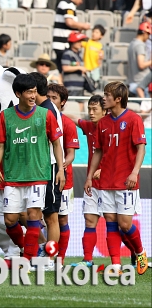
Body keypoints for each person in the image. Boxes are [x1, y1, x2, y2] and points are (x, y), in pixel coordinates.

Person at [0, 74, 65, 265]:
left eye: (34, 92)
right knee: (10, 220)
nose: (33, 96)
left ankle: (29, 260)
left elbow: (56, 143)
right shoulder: (6, 116)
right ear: (18, 93)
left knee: (33, 216)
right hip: (13, 177)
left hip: (38, 175)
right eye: (29, 92)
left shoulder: (45, 114)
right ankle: (26, 250)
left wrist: (60, 169)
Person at [84, 81, 148, 275]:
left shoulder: (133, 119)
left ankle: (140, 252)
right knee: (110, 221)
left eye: (106, 95)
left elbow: (141, 148)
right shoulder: (102, 123)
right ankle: (116, 266)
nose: (104, 98)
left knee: (125, 224)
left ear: (118, 98)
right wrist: (88, 178)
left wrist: (135, 172)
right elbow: (98, 152)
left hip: (126, 182)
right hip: (106, 182)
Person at [30, 71, 64, 270]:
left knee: (51, 216)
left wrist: (59, 168)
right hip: (39, 168)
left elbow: (56, 142)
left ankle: (51, 259)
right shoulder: (43, 107)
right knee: (31, 214)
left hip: (49, 167)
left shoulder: (47, 109)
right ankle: (44, 248)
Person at [70, 94, 106, 268]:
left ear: (105, 111)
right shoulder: (89, 126)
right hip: (92, 183)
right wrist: (54, 110)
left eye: (94, 109)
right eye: (89, 109)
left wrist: (104, 169)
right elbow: (73, 120)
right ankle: (88, 260)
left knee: (120, 223)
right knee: (89, 220)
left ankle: (135, 254)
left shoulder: (114, 128)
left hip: (112, 185)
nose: (90, 113)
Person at [47, 83, 79, 264]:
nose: (50, 101)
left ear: (62, 102)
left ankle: (60, 258)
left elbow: (71, 154)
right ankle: (45, 253)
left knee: (61, 218)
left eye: (54, 98)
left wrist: (59, 166)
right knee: (45, 217)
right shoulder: (41, 118)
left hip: (63, 179)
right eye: (48, 97)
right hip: (43, 177)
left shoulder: (67, 123)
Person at [52, 0, 91, 72]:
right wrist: (83, 26)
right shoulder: (67, 4)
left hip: (62, 44)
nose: (81, 2)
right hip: (62, 44)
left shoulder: (67, 4)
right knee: (63, 70)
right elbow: (69, 22)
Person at [62, 31, 88, 113]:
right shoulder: (67, 54)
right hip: (71, 87)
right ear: (72, 42)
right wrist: (79, 67)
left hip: (80, 87)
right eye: (79, 41)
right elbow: (65, 68)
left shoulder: (79, 55)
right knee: (71, 109)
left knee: (79, 110)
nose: (81, 43)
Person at [127, 22, 151, 95]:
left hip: (134, 83)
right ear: (144, 33)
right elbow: (141, 65)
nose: (148, 37)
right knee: (146, 106)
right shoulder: (139, 45)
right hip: (141, 84)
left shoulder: (132, 43)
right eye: (148, 34)